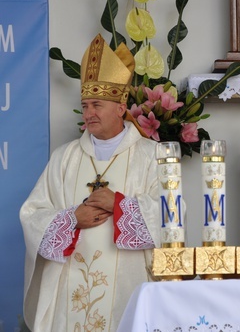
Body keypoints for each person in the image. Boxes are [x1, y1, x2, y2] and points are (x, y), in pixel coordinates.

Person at [20, 34, 161, 332]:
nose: (88, 113)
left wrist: (120, 207)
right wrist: (71, 219)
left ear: (121, 106)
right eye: (85, 106)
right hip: (68, 294)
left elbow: (171, 215)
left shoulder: (152, 156)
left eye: (96, 104)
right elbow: (32, 215)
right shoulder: (64, 158)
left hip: (129, 286)